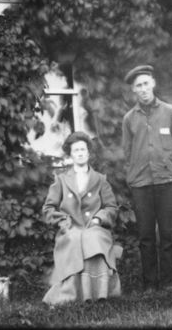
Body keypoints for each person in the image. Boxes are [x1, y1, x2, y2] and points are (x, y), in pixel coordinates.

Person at [121, 64, 172, 290]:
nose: (142, 89)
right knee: (146, 236)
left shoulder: (169, 112)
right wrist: (134, 175)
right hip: (141, 184)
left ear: (153, 84)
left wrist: (171, 167)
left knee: (168, 234)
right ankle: (150, 283)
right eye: (137, 86)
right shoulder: (129, 119)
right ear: (133, 90)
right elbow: (127, 152)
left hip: (167, 182)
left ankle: (168, 282)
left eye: (145, 83)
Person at [42, 131, 123, 305]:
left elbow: (111, 207)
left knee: (93, 237)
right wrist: (63, 222)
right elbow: (48, 208)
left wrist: (99, 219)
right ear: (70, 154)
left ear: (88, 153)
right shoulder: (61, 180)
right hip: (70, 229)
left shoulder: (100, 179)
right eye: (76, 150)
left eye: (83, 150)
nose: (80, 153)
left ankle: (98, 294)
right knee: (74, 238)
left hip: (94, 227)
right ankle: (71, 295)